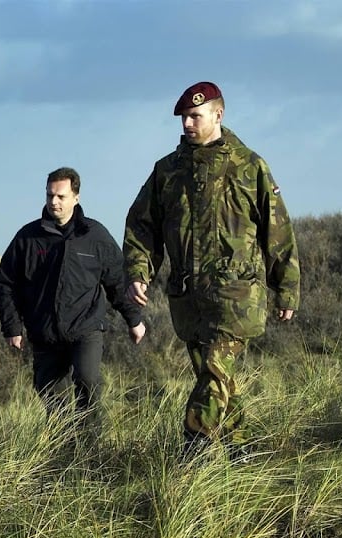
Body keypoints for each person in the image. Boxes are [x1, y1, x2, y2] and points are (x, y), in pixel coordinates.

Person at [123, 81, 300, 456]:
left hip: (237, 295)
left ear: (218, 114)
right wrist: (140, 271)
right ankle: (241, 453)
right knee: (218, 379)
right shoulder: (167, 172)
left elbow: (278, 230)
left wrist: (286, 286)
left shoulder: (249, 166)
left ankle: (193, 449)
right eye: (184, 117)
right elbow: (142, 226)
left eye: (195, 116)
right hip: (189, 297)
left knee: (215, 372)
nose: (187, 124)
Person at [0, 167, 145, 425]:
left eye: (61, 196)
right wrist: (12, 326)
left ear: (76, 197)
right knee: (50, 393)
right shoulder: (28, 238)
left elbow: (117, 280)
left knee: (87, 381)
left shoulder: (94, 235)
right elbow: (5, 283)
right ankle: (64, 450)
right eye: (49, 195)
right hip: (44, 330)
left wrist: (134, 319)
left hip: (85, 326)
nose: (54, 201)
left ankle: (90, 447)